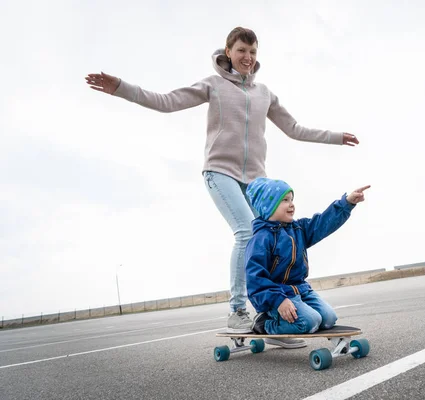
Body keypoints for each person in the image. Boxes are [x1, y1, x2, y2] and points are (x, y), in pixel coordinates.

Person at [85, 27, 360, 339]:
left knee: (270, 239)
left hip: (257, 181)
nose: (248, 57)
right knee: (247, 231)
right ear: (228, 52)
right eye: (242, 50)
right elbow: (167, 101)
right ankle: (238, 309)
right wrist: (121, 87)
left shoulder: (264, 93)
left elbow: (294, 129)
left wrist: (336, 138)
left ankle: (275, 312)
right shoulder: (213, 85)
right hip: (220, 171)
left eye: (253, 52)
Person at [244, 177, 369, 341]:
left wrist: (347, 203)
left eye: (291, 199)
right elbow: (255, 279)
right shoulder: (261, 239)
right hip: (278, 296)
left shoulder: (298, 229)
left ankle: (289, 317)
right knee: (309, 322)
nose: (291, 204)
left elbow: (323, 223)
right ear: (269, 206)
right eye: (284, 200)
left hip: (301, 290)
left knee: (329, 319)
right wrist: (278, 301)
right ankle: (265, 324)